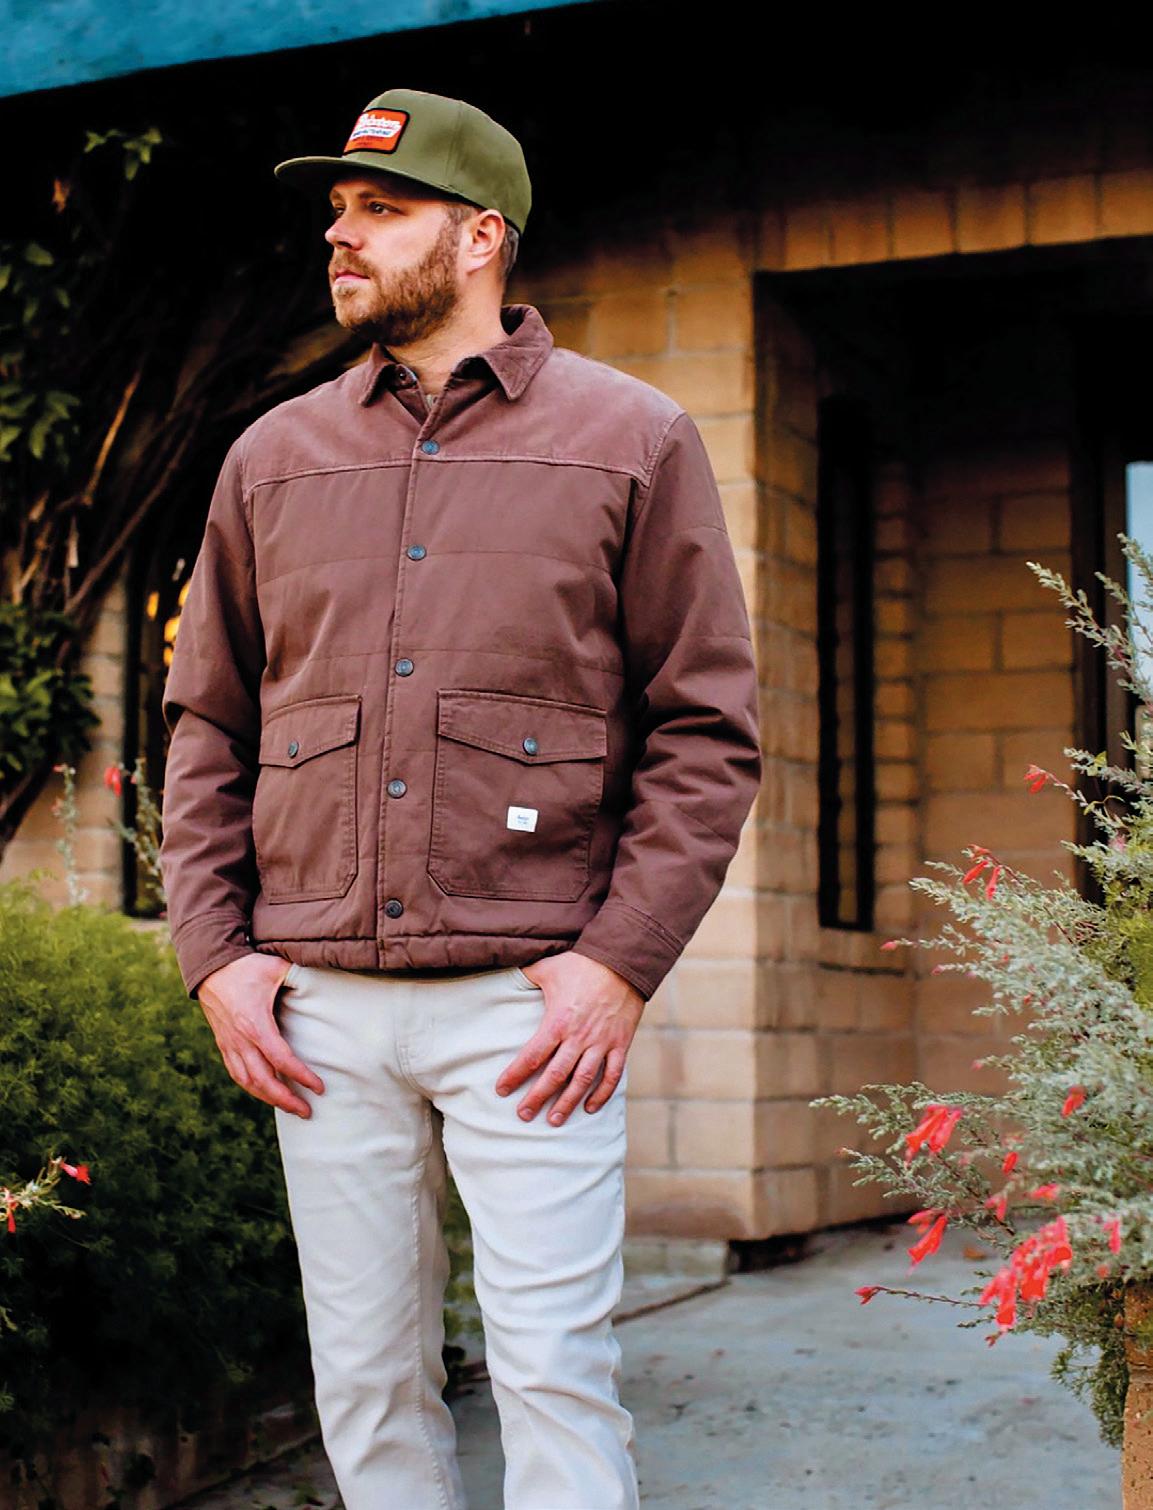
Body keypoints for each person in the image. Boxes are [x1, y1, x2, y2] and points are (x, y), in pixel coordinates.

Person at [158, 86, 762, 1510]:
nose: (340, 236)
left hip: (531, 1008)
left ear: (481, 236)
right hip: (315, 1007)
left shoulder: (632, 438)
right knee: (365, 1383)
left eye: (382, 209)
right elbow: (207, 722)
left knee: (554, 1373)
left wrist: (617, 966)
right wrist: (214, 956)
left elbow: (706, 729)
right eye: (337, 211)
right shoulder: (271, 457)